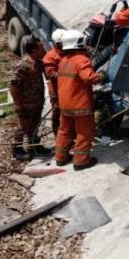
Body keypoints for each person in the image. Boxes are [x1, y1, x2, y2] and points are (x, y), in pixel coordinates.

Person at [55, 30, 106, 170]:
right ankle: (81, 161)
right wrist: (101, 76)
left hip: (65, 104)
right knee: (84, 132)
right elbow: (89, 78)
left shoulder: (63, 61)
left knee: (64, 131)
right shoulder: (81, 60)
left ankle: (60, 158)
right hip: (80, 105)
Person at [9, 36, 51, 160]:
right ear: (33, 50)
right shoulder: (22, 66)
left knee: (35, 125)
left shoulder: (38, 63)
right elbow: (13, 86)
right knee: (22, 127)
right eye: (41, 48)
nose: (44, 50)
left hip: (37, 102)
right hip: (25, 104)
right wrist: (17, 104)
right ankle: (17, 150)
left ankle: (34, 146)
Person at [43, 28, 67, 134]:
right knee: (57, 112)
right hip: (56, 90)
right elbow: (50, 74)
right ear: (56, 43)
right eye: (61, 43)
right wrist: (68, 76)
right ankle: (57, 133)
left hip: (68, 89)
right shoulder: (50, 57)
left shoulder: (68, 52)